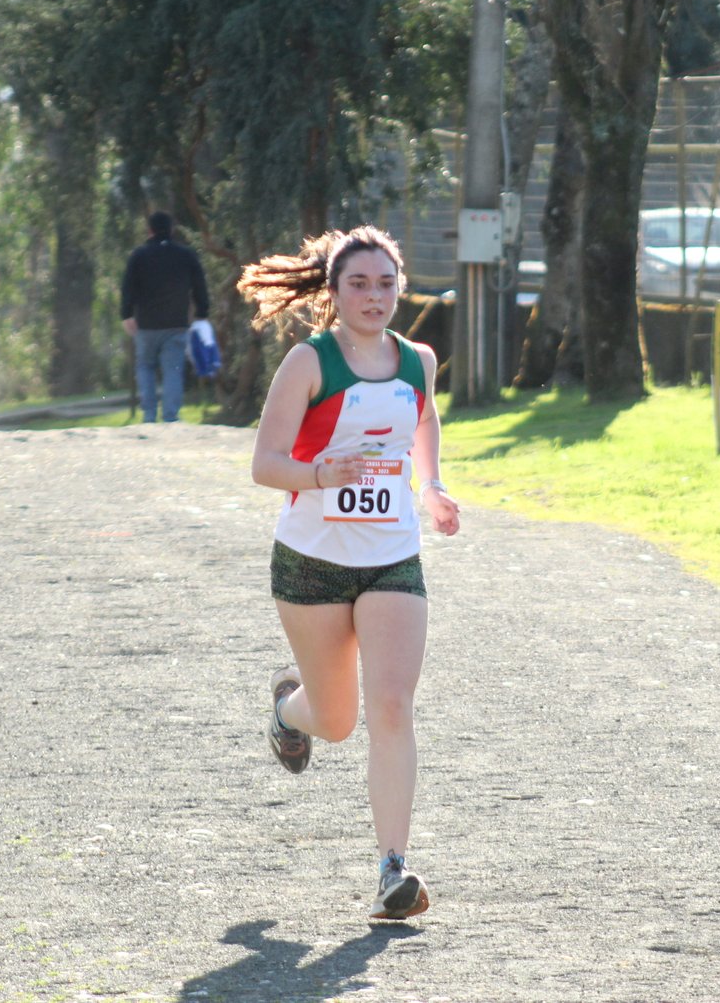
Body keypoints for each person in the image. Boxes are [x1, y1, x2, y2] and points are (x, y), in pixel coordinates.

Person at [239, 225, 461, 921]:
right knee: (335, 720)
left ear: (401, 288)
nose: (375, 296)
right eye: (359, 283)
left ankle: (393, 868)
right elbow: (264, 463)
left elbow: (422, 423)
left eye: (387, 283)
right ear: (333, 292)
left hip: (392, 556)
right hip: (312, 561)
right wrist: (317, 473)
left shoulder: (417, 360)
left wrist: (431, 487)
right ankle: (287, 709)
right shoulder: (310, 363)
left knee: (392, 704)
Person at [122, 211, 210, 423]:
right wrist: (202, 312)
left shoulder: (139, 256)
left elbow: (128, 287)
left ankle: (149, 415)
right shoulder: (186, 255)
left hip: (146, 324)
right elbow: (199, 285)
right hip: (176, 323)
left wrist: (127, 314)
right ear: (171, 230)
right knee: (173, 369)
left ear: (150, 230)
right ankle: (171, 416)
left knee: (145, 366)